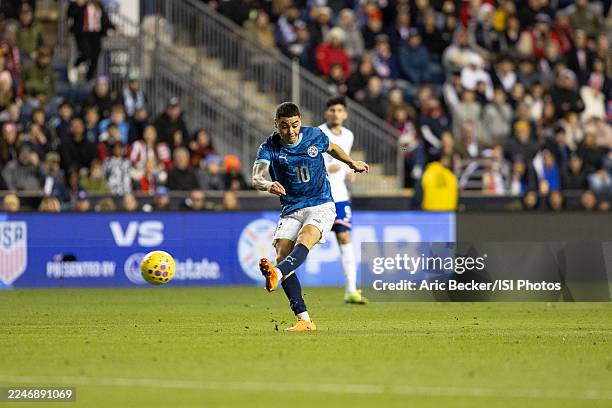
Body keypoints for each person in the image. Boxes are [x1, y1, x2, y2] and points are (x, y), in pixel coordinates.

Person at [252, 102, 368, 332]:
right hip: (292, 208)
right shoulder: (269, 147)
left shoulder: (314, 135)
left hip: (321, 203)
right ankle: (304, 319)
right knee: (283, 253)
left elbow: (333, 148)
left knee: (306, 237)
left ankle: (277, 273)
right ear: (276, 125)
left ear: (300, 122)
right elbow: (256, 177)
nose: (291, 131)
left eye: (295, 125)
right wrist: (267, 185)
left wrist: (351, 162)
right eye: (284, 126)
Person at [318, 96, 366, 304]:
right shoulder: (319, 133)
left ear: (345, 114)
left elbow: (345, 159)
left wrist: (349, 170)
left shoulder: (348, 135)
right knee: (306, 241)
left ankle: (351, 290)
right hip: (319, 197)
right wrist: (327, 168)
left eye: (339, 110)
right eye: (332, 110)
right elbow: (311, 163)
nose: (336, 113)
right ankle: (282, 274)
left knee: (345, 239)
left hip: (340, 197)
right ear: (326, 113)